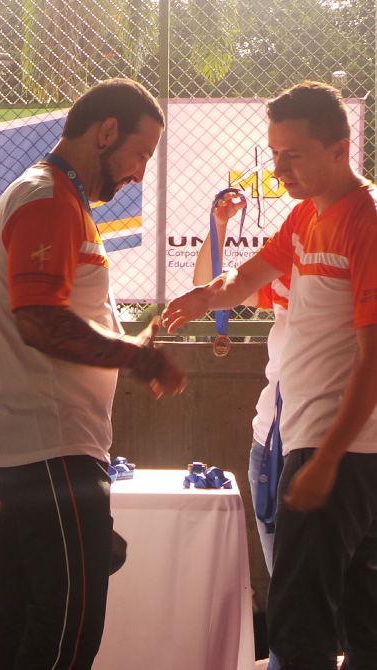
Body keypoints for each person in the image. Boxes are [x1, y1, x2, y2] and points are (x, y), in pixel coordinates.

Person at [163, 80, 377, 670]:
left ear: (341, 147)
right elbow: (250, 276)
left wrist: (327, 459)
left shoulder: (365, 219)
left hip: (341, 451)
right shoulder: (308, 215)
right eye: (274, 154)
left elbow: (373, 357)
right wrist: (202, 298)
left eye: (294, 155)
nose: (279, 169)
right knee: (360, 621)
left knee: (301, 626)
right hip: (318, 445)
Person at [0, 78, 185, 670]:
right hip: (52, 455)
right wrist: (137, 358)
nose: (141, 173)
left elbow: (58, 319)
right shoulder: (46, 198)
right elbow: (40, 321)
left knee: (21, 623)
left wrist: (131, 341)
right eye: (140, 154)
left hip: (43, 451)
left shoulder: (55, 200)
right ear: (107, 131)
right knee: (67, 629)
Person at [191, 192, 292, 573]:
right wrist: (220, 227)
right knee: (286, 584)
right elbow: (208, 285)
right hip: (272, 442)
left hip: (335, 446)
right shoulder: (289, 261)